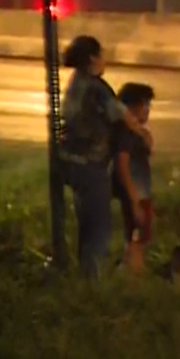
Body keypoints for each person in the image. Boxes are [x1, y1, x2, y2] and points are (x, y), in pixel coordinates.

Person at [56, 36, 154, 279]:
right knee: (98, 229)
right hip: (91, 166)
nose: (104, 60)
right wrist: (142, 133)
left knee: (85, 224)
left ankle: (84, 274)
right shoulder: (97, 88)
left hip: (70, 163)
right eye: (101, 55)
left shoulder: (75, 83)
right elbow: (123, 116)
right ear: (92, 59)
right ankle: (92, 282)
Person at [111, 82, 157, 274]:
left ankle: (130, 272)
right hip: (135, 193)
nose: (148, 110)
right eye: (146, 104)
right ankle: (133, 276)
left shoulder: (135, 132)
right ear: (133, 106)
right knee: (136, 239)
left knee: (138, 238)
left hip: (140, 192)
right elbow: (122, 164)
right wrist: (134, 201)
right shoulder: (126, 133)